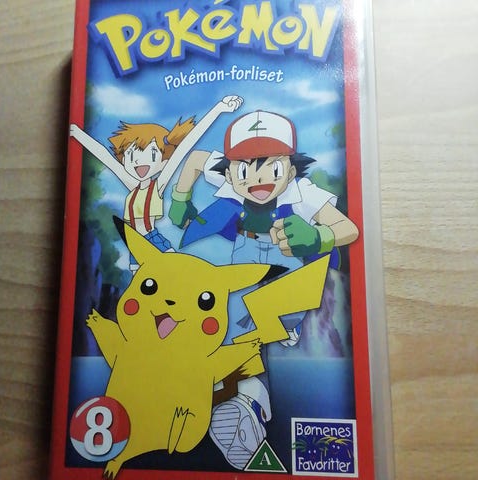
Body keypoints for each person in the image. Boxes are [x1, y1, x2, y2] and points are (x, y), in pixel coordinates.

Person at [169, 110, 359, 469]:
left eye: (272, 168)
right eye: (244, 170)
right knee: (227, 322)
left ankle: (252, 395)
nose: (258, 178)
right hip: (242, 259)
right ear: (230, 172)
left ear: (290, 168)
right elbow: (194, 160)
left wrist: (317, 236)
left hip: (286, 265)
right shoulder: (224, 173)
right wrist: (180, 199)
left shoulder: (303, 193)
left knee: (257, 322)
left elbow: (348, 229)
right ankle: (240, 405)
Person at [70, 95, 243, 271]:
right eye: (132, 155)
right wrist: (77, 133)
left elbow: (186, 146)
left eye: (152, 154)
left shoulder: (157, 185)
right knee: (142, 282)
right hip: (134, 243)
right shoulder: (131, 183)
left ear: (163, 161)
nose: (140, 162)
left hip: (153, 240)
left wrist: (218, 109)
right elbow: (104, 154)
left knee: (176, 273)